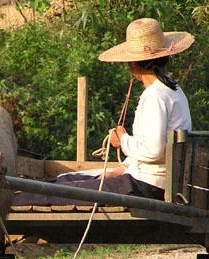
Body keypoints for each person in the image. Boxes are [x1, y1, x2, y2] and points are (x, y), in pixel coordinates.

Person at [12, 18, 194, 206]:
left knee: (55, 192)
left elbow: (154, 149)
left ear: (133, 64)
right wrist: (121, 169)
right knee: (64, 180)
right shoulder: (173, 91)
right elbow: (156, 150)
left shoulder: (155, 95)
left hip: (147, 186)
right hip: (147, 180)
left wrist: (122, 139)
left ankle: (9, 202)